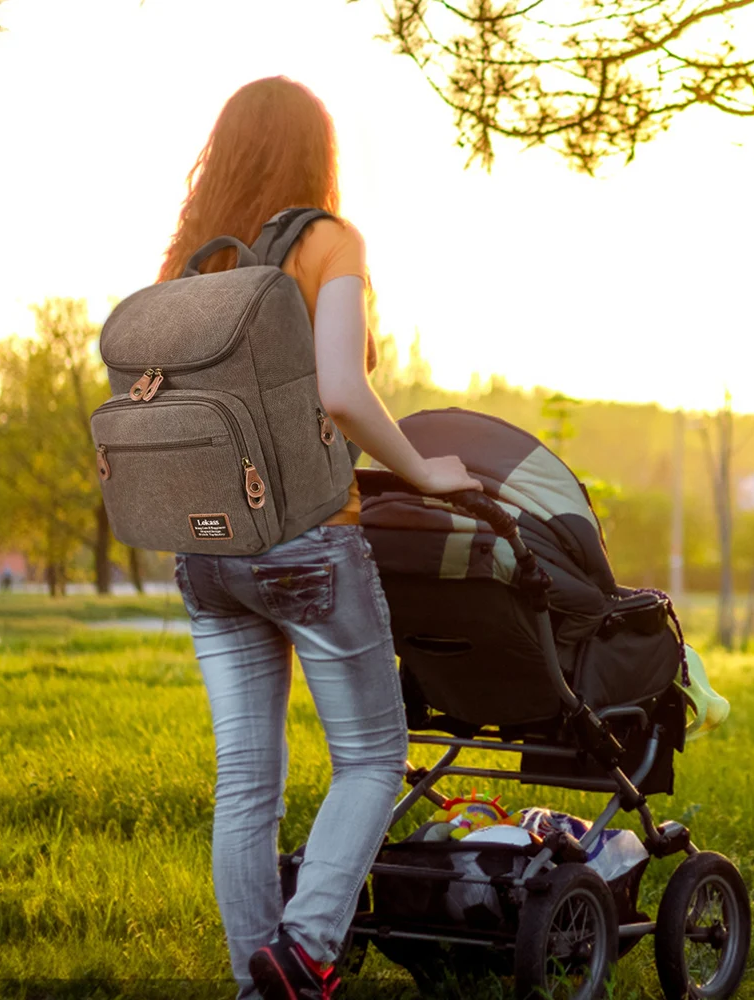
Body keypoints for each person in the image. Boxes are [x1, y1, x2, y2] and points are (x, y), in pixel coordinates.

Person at [159, 76, 483, 1000]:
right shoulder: (328, 241)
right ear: (319, 155)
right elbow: (343, 390)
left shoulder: (189, 263)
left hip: (209, 550)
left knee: (247, 783)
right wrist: (423, 471)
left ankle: (258, 985)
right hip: (304, 541)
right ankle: (302, 955)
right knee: (374, 757)